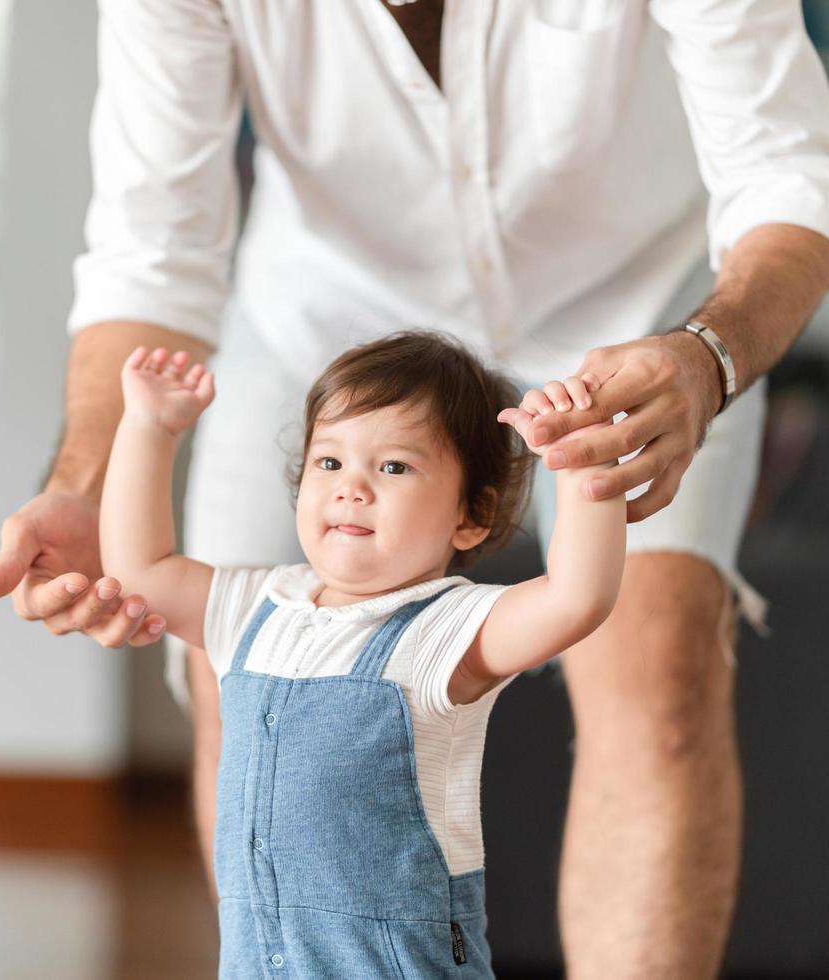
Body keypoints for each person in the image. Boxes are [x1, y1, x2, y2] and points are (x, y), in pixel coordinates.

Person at [0, 1, 829, 973]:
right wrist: (85, 482)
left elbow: (790, 171)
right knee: (238, 676)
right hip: (323, 311)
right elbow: (149, 249)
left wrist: (705, 356)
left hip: (645, 312)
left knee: (657, 667)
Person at [100, 332, 625, 977]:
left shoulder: (446, 630)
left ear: (471, 515)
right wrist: (148, 428)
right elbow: (141, 573)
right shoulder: (256, 607)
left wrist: (580, 460)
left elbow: (577, 598)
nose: (352, 488)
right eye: (329, 463)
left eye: (394, 467)